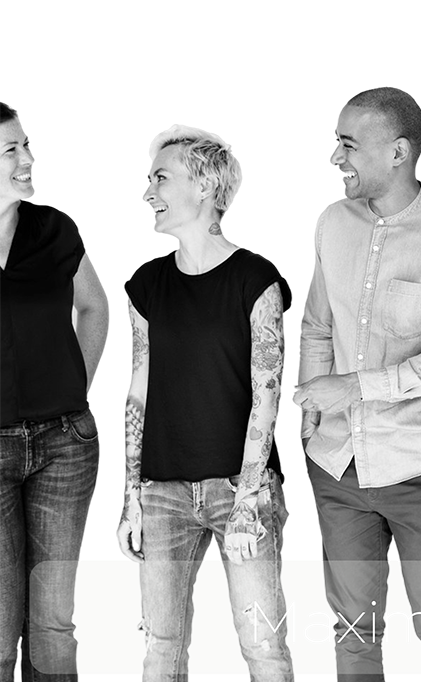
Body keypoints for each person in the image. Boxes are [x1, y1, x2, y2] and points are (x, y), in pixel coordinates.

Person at [294, 88, 421, 681]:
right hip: (337, 466)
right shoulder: (333, 222)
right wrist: (313, 412)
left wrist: (357, 387)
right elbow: (318, 326)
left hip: (417, 465)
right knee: (353, 633)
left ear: (398, 152)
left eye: (349, 145)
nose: (337, 159)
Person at [117, 126, 296, 681]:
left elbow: (266, 395)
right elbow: (140, 388)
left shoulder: (256, 281)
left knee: (263, 650)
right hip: (163, 492)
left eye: (161, 178)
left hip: (239, 487)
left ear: (204, 186)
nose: (150, 192)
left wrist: (248, 499)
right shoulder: (147, 284)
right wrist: (132, 495)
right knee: (160, 654)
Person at [0, 103, 107, 681]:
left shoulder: (53, 227)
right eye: (10, 150)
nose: (27, 160)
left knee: (52, 621)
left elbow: (93, 308)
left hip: (62, 445)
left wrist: (73, 388)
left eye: (25, 146)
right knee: (0, 626)